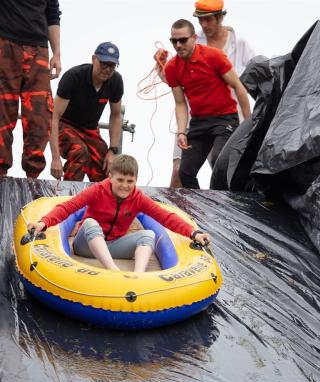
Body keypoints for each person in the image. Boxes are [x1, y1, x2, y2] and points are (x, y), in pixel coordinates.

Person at [28, 154, 210, 273]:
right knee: (91, 223)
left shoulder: (138, 198)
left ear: (136, 180)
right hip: (86, 245)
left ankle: (137, 276)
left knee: (149, 234)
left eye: (130, 181)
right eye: (120, 180)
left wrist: (193, 233)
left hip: (114, 245)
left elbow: (165, 217)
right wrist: (43, 223)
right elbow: (68, 207)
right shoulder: (97, 191)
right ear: (110, 177)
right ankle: (113, 271)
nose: (125, 185)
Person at [155, 0, 255, 188]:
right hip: (198, 120)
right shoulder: (174, 66)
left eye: (208, 19)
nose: (178, 45)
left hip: (226, 118)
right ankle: (199, 213)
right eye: (173, 41)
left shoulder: (219, 53)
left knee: (221, 162)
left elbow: (239, 86)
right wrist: (181, 132)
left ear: (219, 17)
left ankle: (224, 208)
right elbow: (180, 103)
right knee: (183, 171)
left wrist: (248, 124)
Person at [0, 0, 61, 178]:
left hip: (39, 48)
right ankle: (1, 175)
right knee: (3, 114)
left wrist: (57, 53)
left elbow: (52, 14)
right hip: (5, 44)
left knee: (39, 116)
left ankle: (33, 177)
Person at [50, 42, 124, 182]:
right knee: (79, 151)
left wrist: (112, 150)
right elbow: (53, 116)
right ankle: (70, 197)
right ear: (94, 59)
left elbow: (115, 115)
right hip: (64, 124)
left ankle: (101, 201)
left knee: (107, 164)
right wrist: (55, 158)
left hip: (90, 129)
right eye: (104, 63)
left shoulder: (116, 81)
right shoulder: (74, 77)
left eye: (112, 65)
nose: (107, 69)